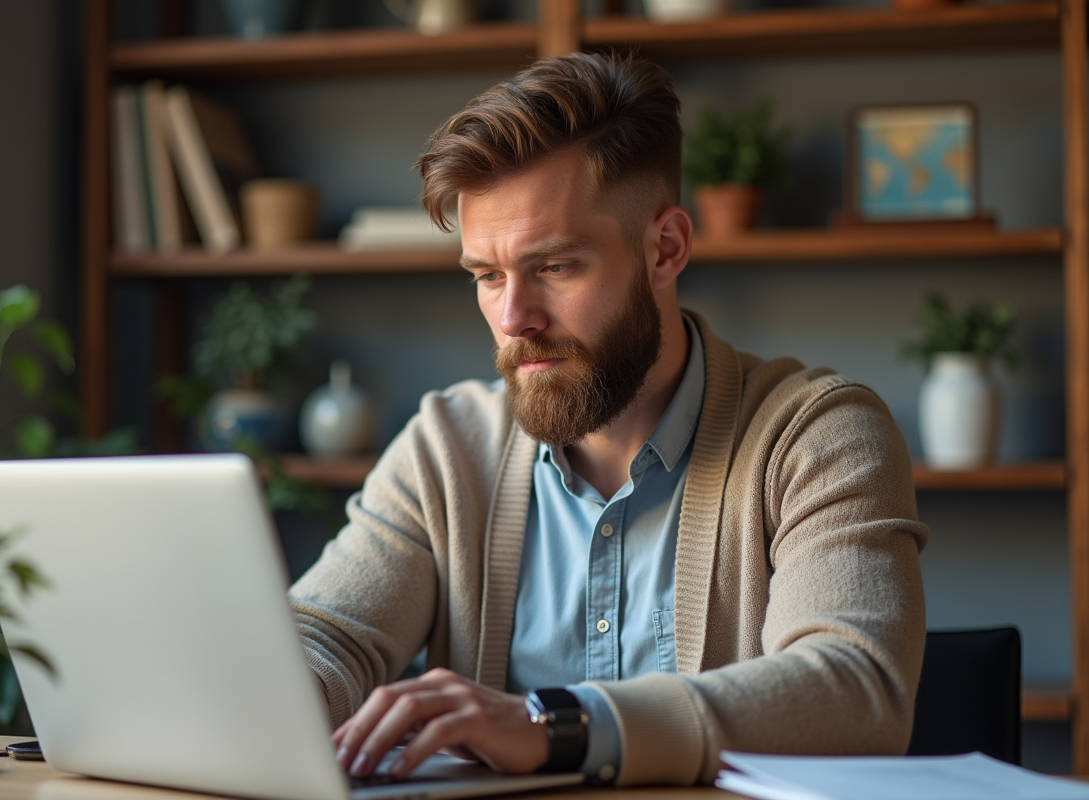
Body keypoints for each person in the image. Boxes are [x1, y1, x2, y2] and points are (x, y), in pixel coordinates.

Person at [289, 51, 928, 787]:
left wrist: (555, 724)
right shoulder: (445, 448)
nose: (513, 319)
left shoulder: (817, 435)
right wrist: (283, 690)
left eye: (556, 267)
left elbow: (856, 693)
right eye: (487, 276)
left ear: (666, 248)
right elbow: (325, 635)